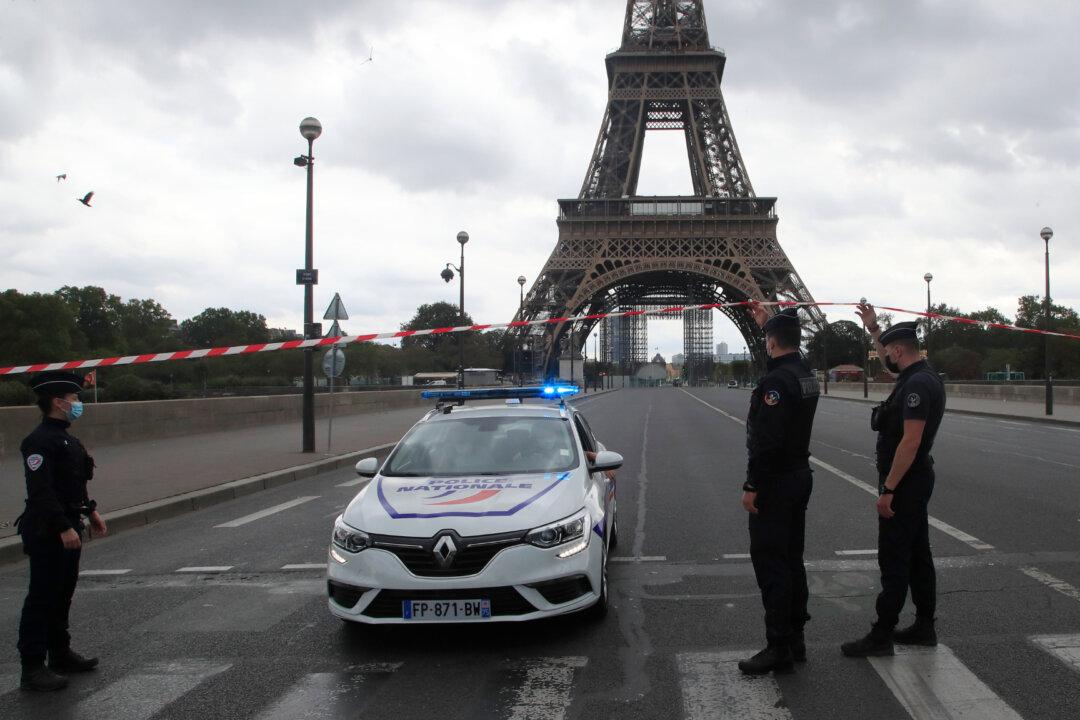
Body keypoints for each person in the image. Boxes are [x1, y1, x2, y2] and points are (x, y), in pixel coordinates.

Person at [841, 306, 945, 658]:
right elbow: (889, 366)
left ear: (899, 351)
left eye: (889, 351)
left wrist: (889, 489)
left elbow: (910, 442)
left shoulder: (915, 385)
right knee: (918, 555)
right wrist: (873, 329)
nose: (887, 357)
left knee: (895, 558)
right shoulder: (923, 375)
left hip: (906, 482)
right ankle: (924, 626)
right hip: (917, 479)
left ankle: (882, 634)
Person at [738, 305, 820, 675]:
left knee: (771, 563)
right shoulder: (805, 376)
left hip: (776, 481)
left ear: (771, 342)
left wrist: (753, 484)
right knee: (792, 560)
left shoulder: (775, 383)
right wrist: (768, 322)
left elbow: (767, 442)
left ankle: (778, 645)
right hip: (799, 474)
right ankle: (795, 638)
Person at [15, 370, 107, 692]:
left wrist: (90, 511)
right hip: (48, 530)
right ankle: (32, 667)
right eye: (74, 399)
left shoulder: (67, 438)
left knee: (62, 593)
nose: (77, 403)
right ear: (58, 402)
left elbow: (73, 483)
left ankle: (60, 653)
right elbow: (41, 492)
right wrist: (63, 527)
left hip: (69, 524)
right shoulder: (39, 442)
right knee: (42, 597)